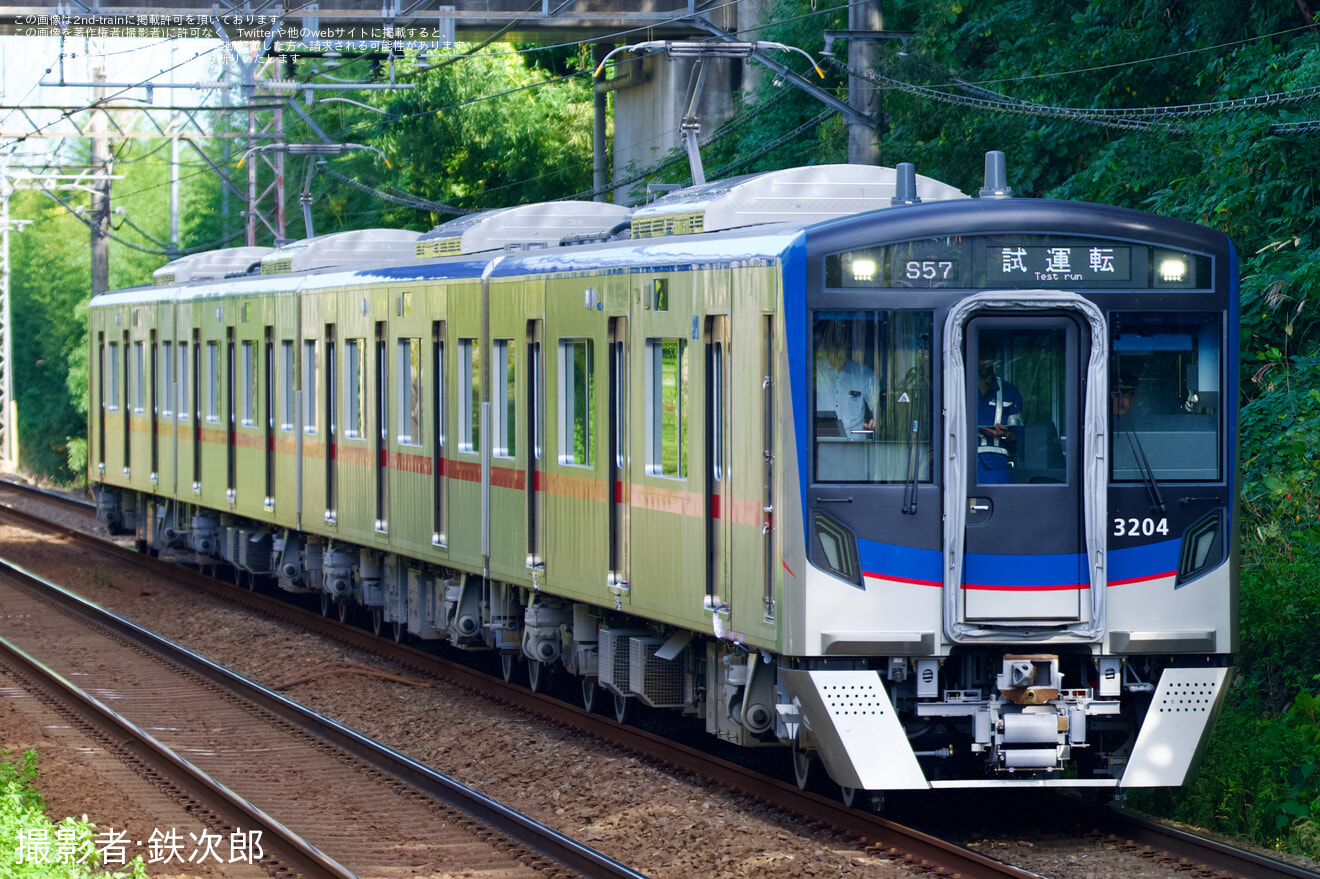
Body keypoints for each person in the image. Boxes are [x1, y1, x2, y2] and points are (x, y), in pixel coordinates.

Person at [814, 319, 880, 440]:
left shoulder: (863, 375)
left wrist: (877, 418)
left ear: (846, 347)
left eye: (839, 347)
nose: (836, 352)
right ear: (826, 346)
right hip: (821, 448)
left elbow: (878, 404)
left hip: (854, 448)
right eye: (832, 346)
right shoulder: (815, 372)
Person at [976, 339, 1023, 484]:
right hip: (959, 464)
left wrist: (1005, 434)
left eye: (988, 351)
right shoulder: (956, 388)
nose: (984, 356)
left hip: (996, 472)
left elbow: (1020, 437)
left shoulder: (1009, 392)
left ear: (994, 355)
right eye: (980, 351)